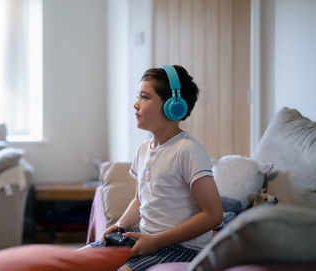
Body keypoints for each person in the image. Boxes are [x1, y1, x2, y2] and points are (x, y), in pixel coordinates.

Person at [92, 65, 223, 271]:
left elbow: (214, 214)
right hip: (146, 240)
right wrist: (121, 225)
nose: (136, 104)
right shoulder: (143, 149)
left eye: (144, 97)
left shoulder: (188, 150)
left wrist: (156, 241)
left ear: (173, 105)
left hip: (182, 248)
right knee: (79, 260)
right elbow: (139, 200)